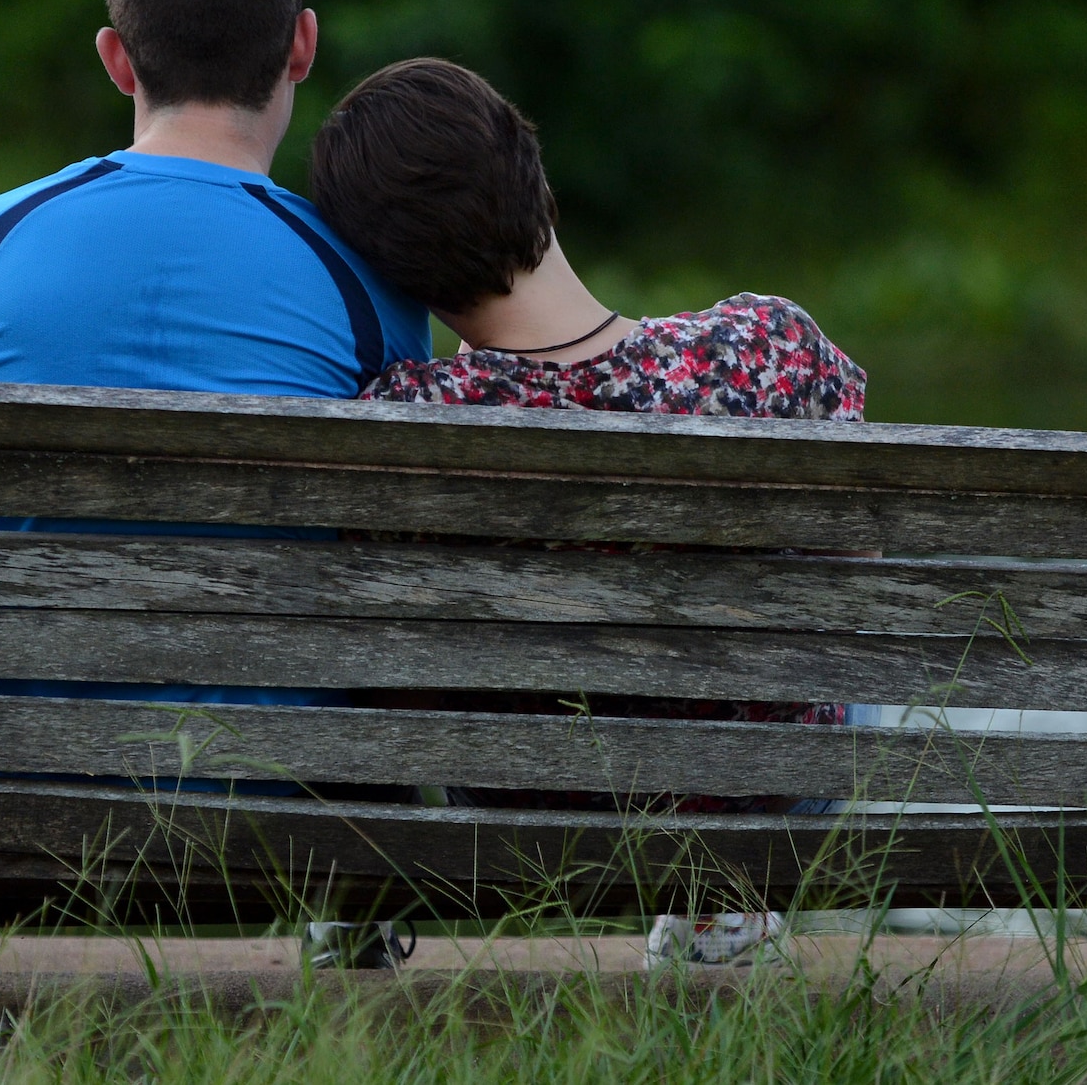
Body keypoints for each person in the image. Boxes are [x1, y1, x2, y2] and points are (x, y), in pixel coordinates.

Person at [309, 57, 867, 966]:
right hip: (774, 797)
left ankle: (359, 900)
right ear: (538, 178)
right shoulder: (772, 344)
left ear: (394, 272)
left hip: (530, 818)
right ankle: (719, 909)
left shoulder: (412, 420)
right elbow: (854, 570)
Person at [0, 0, 427, 763]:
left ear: (118, 59)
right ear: (302, 44)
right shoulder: (366, 280)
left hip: (8, 766)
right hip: (280, 781)